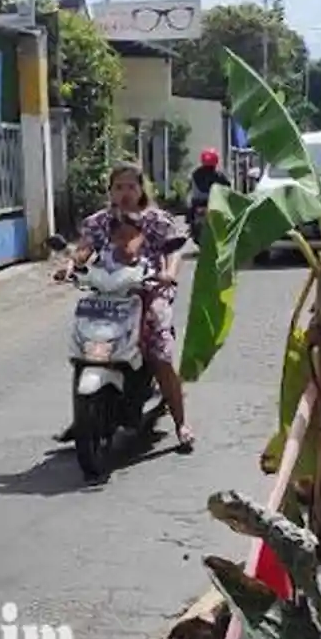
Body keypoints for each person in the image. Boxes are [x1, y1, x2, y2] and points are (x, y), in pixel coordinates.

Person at [55, 163, 193, 450]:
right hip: (106, 293)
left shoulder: (157, 220)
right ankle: (84, 415)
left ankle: (182, 422)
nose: (126, 192)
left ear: (142, 189)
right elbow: (83, 250)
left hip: (148, 290)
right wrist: (69, 266)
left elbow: (173, 251)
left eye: (131, 186)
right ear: (110, 191)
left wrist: (168, 273)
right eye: (119, 187)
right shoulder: (98, 222)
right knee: (86, 348)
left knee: (159, 354)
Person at [188, 148, 231, 215]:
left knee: (191, 211)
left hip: (198, 202)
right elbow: (227, 186)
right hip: (214, 202)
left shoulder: (196, 173)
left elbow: (190, 186)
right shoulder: (219, 175)